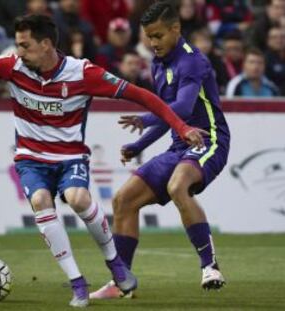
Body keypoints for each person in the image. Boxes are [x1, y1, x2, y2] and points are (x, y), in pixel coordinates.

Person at [0, 2, 205, 307]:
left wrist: (179, 127)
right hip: (31, 157)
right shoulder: (12, 67)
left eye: (24, 45)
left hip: (70, 157)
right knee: (40, 202)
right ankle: (77, 283)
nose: (18, 51)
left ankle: (115, 264)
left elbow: (141, 95)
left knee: (78, 199)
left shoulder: (82, 72)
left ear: (46, 44)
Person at [90, 1, 230, 299]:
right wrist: (138, 145)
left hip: (209, 139)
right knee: (123, 200)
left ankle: (210, 266)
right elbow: (171, 118)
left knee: (178, 185)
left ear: (175, 29)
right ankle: (120, 282)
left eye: (158, 36)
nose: (153, 43)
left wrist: (144, 118)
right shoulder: (158, 64)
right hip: (180, 144)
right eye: (149, 37)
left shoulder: (192, 61)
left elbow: (182, 107)